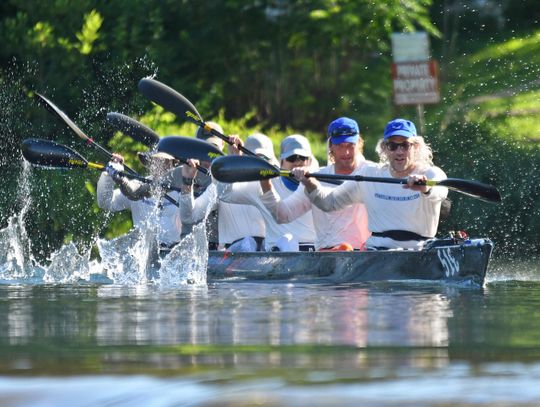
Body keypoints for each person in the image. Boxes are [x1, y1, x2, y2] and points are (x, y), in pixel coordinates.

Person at [293, 118, 448, 250]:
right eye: (393, 146)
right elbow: (329, 203)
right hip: (377, 254)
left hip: (419, 251)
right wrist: (309, 183)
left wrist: (425, 188)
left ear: (416, 147)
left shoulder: (431, 174)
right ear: (385, 149)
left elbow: (440, 192)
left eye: (405, 145)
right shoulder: (370, 175)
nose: (399, 151)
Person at [260, 117, 370, 250]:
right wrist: (265, 183)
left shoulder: (373, 172)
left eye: (350, 146)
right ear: (331, 146)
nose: (346, 152)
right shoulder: (314, 177)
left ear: (359, 143)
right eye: (340, 146)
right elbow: (282, 215)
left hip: (364, 256)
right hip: (326, 256)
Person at [217, 133, 316, 251]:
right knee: (286, 242)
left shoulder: (319, 186)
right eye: (292, 158)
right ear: (281, 162)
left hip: (312, 257)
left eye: (302, 158)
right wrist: (233, 160)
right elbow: (225, 194)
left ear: (309, 162)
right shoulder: (262, 186)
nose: (297, 162)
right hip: (276, 258)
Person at [180, 125, 266, 251]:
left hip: (267, 254)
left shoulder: (273, 184)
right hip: (233, 255)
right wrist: (187, 182)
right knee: (247, 245)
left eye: (264, 160)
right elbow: (188, 217)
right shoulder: (218, 185)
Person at [96, 150, 183, 249]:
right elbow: (105, 203)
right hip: (143, 255)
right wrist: (109, 175)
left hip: (175, 255)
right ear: (149, 163)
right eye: (157, 161)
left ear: (173, 164)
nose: (161, 166)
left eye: (166, 161)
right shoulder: (135, 186)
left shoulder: (185, 190)